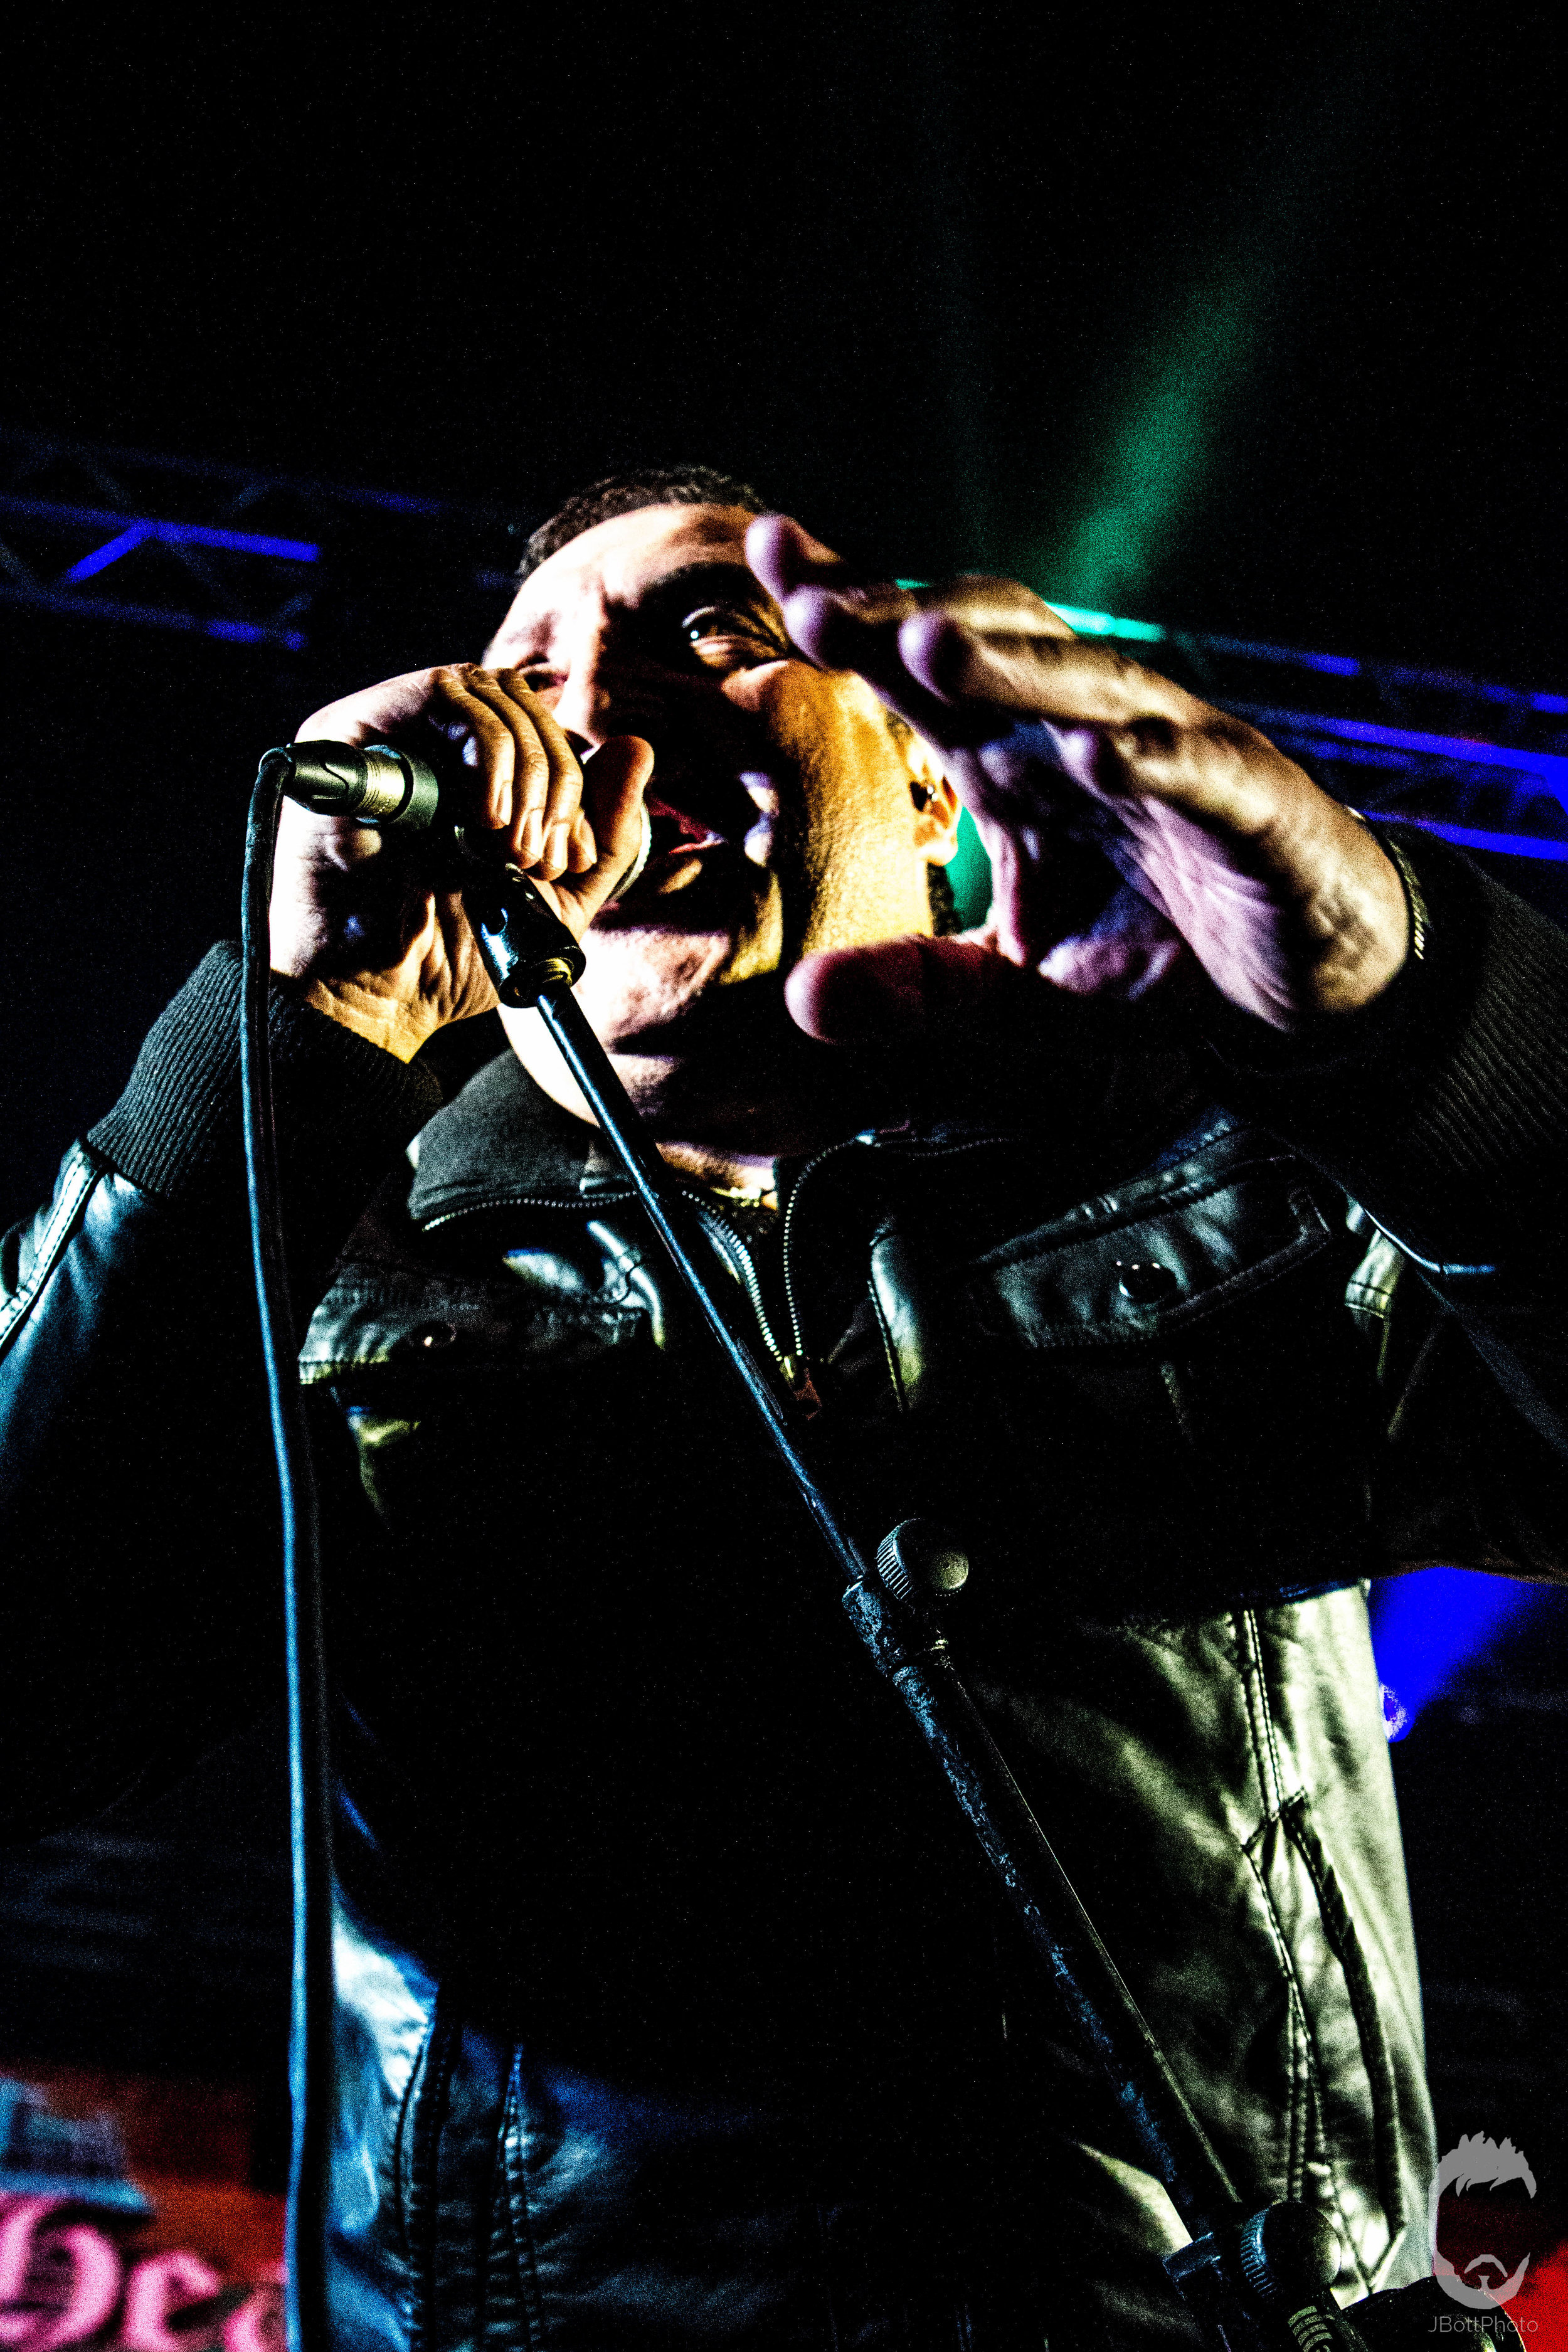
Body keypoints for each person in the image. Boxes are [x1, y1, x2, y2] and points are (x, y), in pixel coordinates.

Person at [4, 464, 1567, 2351]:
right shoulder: (321, 1268)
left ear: (931, 782)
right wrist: (274, 1043)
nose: (589, 708)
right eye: (528, 673)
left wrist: (1424, 1025)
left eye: (710, 630)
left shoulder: (1214, 1178)